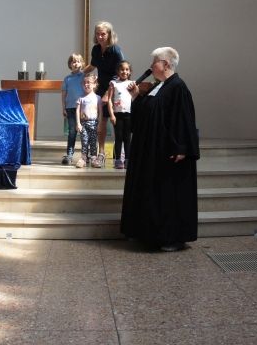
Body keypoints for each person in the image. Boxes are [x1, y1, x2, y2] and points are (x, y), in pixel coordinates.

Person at [120, 47, 200, 252]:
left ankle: (173, 238)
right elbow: (148, 115)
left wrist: (181, 147)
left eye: (154, 61)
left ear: (166, 64)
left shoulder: (178, 87)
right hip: (152, 152)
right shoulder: (160, 87)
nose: (150, 66)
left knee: (169, 196)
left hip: (168, 153)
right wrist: (136, 96)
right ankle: (148, 233)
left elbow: (183, 119)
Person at [83, 21, 124, 166]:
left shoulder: (115, 50)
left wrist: (108, 93)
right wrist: (79, 74)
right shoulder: (96, 49)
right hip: (101, 88)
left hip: (115, 88)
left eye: (103, 34)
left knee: (115, 121)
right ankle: (101, 153)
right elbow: (93, 65)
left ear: (109, 34)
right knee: (101, 121)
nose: (100, 37)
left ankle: (120, 154)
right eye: (98, 34)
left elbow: (120, 73)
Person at [107, 60, 133, 169]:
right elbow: (109, 100)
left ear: (130, 71)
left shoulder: (132, 84)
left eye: (127, 69)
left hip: (129, 115)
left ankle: (127, 159)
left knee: (127, 138)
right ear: (118, 71)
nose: (124, 72)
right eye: (122, 69)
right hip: (118, 115)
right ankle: (118, 160)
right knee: (119, 137)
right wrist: (112, 115)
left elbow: (135, 98)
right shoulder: (114, 83)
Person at [61, 53, 85, 165]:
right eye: (74, 62)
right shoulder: (67, 79)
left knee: (85, 132)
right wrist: (63, 107)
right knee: (72, 132)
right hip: (70, 108)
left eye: (78, 61)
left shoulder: (84, 76)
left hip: (83, 108)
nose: (76, 64)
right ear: (70, 64)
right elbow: (64, 94)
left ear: (82, 64)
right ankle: (69, 155)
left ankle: (85, 155)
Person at [75, 74, 103, 168]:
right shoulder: (81, 98)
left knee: (93, 142)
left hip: (94, 124)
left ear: (94, 84)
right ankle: (83, 158)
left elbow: (100, 112)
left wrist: (99, 124)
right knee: (84, 142)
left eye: (88, 82)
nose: (86, 84)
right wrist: (78, 123)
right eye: (84, 83)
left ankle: (94, 158)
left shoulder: (98, 98)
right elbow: (77, 111)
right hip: (84, 124)